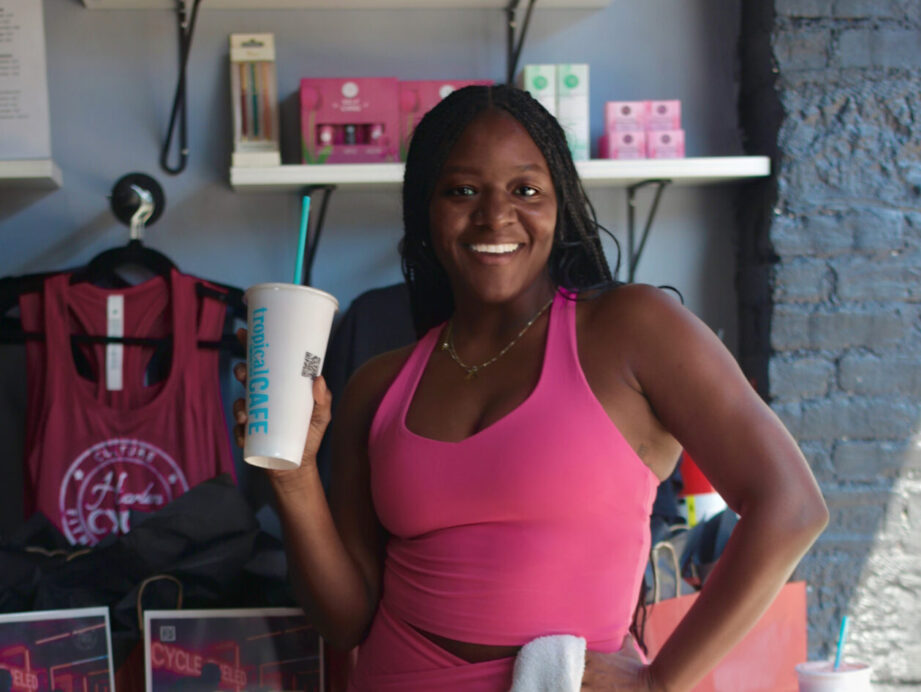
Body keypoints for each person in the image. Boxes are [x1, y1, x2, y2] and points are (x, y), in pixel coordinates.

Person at [232, 84, 828, 691]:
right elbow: (345, 622)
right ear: (426, 210)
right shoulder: (377, 385)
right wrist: (294, 477)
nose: (495, 215)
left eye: (525, 190)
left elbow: (792, 507)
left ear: (560, 204)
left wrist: (659, 681)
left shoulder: (631, 330)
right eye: (462, 190)